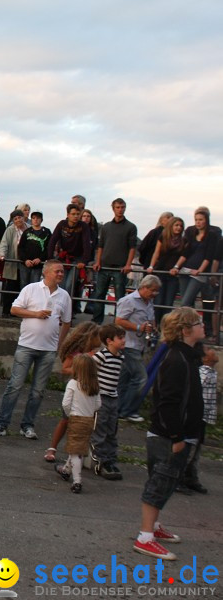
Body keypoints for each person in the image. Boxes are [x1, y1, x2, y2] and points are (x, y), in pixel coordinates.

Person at [131, 306, 205, 561]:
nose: (202, 326)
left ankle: (154, 526)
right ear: (185, 330)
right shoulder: (176, 359)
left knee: (166, 482)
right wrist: (176, 437)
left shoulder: (187, 355)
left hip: (178, 435)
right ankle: (145, 537)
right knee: (159, 483)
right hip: (168, 436)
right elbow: (167, 403)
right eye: (198, 323)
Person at [0, 260, 72, 439]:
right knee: (15, 386)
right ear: (47, 272)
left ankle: (27, 425)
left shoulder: (64, 296)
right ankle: (1, 424)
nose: (61, 274)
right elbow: (14, 309)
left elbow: (66, 322)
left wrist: (59, 343)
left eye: (62, 272)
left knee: (38, 390)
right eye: (57, 271)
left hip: (48, 350)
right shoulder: (31, 289)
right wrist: (36, 314)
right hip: (26, 346)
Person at [42, 321, 101, 463]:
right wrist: (83, 367)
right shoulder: (77, 352)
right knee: (66, 419)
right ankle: (52, 448)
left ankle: (81, 452)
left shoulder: (97, 353)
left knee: (88, 422)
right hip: (77, 390)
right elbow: (65, 368)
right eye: (98, 336)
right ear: (90, 337)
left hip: (90, 390)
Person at [114, 275, 161, 422]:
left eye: (157, 291)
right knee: (141, 378)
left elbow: (151, 319)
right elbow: (119, 321)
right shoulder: (128, 301)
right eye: (153, 290)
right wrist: (139, 327)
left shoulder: (149, 302)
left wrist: (153, 328)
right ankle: (129, 410)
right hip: (128, 344)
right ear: (144, 287)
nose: (155, 294)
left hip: (139, 344)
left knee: (124, 379)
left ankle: (119, 409)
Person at [53, 355, 101, 494]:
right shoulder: (95, 385)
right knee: (78, 447)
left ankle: (77, 481)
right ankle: (66, 470)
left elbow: (66, 404)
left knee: (75, 451)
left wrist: (69, 414)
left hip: (76, 419)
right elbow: (98, 404)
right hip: (89, 420)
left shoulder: (73, 384)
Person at [91, 198, 138, 324]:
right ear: (113, 208)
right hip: (104, 266)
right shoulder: (106, 227)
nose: (120, 209)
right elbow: (100, 246)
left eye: (122, 207)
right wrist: (98, 262)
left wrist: (128, 264)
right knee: (100, 294)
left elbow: (132, 247)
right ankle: (96, 321)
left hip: (120, 267)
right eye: (118, 207)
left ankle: (118, 323)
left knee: (120, 298)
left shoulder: (131, 227)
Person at [90, 324, 127, 481]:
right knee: (100, 430)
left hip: (113, 397)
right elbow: (89, 369)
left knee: (112, 430)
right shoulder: (101, 356)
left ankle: (110, 460)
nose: (124, 341)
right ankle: (99, 461)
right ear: (109, 341)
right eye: (120, 338)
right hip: (101, 398)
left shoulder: (120, 357)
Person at [179, 343, 217, 495]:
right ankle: (180, 478)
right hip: (196, 415)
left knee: (197, 449)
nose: (212, 350)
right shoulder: (202, 372)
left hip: (203, 416)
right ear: (205, 357)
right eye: (208, 349)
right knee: (189, 447)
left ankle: (191, 477)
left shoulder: (212, 372)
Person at [170, 208, 220, 312]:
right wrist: (176, 267)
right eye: (196, 219)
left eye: (200, 219)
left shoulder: (212, 235)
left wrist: (200, 270)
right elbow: (185, 253)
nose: (198, 222)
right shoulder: (192, 233)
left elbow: (208, 256)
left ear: (206, 220)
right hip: (185, 269)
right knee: (185, 302)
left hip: (198, 273)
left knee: (185, 302)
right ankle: (187, 326)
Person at [47, 203, 92, 298]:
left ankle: (68, 307)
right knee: (61, 284)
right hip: (63, 258)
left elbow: (86, 245)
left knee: (69, 285)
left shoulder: (83, 226)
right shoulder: (62, 224)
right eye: (73, 214)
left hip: (77, 260)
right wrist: (50, 259)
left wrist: (84, 261)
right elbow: (52, 241)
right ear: (68, 215)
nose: (76, 216)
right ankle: (59, 307)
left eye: (78, 214)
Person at [146, 216, 185, 322]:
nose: (178, 228)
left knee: (168, 303)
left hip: (173, 275)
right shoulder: (163, 237)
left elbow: (184, 256)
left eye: (181, 226)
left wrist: (176, 267)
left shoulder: (183, 240)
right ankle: (155, 325)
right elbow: (156, 252)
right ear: (171, 226)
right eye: (176, 225)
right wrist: (151, 266)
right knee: (158, 301)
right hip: (161, 272)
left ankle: (164, 327)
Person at [0, 209, 27, 318]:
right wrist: (2, 254)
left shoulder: (29, 229)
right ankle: (6, 310)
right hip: (12, 262)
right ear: (13, 220)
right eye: (16, 218)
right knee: (10, 287)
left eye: (20, 217)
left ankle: (18, 312)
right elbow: (4, 243)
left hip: (25, 263)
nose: (18, 220)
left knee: (22, 288)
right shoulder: (10, 230)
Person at [17, 211, 50, 288]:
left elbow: (48, 248)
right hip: (25, 264)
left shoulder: (47, 232)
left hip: (38, 265)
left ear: (41, 220)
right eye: (33, 218)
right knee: (24, 285)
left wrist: (40, 259)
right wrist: (25, 260)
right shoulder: (26, 232)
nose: (35, 220)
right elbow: (20, 247)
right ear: (31, 219)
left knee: (35, 286)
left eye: (38, 218)